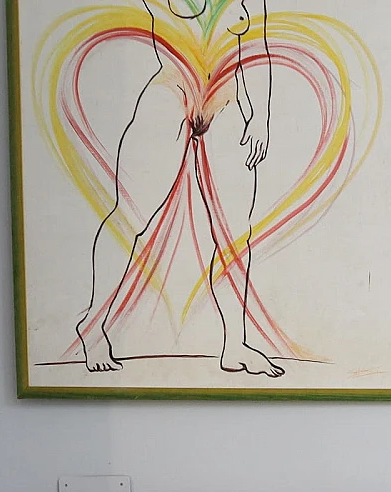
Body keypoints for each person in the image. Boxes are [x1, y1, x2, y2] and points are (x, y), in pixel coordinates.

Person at [77, 0, 284, 377]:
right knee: (130, 217)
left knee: (235, 233)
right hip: (170, 97)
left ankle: (235, 343)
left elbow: (258, 47)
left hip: (227, 103)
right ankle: (93, 326)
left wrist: (262, 116)